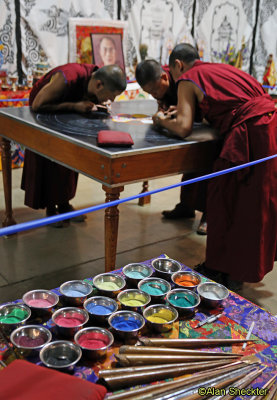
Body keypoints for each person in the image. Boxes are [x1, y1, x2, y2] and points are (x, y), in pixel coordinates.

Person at [153, 43, 277, 290]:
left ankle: (227, 271)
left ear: (178, 65)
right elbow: (232, 102)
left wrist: (160, 121)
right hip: (270, 126)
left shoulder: (187, 79)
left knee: (227, 200)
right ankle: (238, 268)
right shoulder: (222, 68)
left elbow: (183, 128)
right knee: (259, 202)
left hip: (249, 135)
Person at [21, 63, 127, 227]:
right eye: (109, 96)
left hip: (64, 116)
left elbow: (84, 96)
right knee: (49, 161)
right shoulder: (68, 76)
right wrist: (74, 106)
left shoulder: (92, 76)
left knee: (68, 161)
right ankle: (51, 210)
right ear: (99, 84)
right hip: (43, 114)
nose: (110, 100)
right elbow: (37, 105)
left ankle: (64, 206)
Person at [135, 58, 208, 235]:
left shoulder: (182, 79)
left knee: (207, 167)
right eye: (149, 92)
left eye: (155, 90)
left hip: (205, 127)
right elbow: (167, 105)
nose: (154, 95)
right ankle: (186, 206)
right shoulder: (161, 87)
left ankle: (208, 216)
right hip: (184, 127)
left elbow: (202, 107)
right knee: (189, 168)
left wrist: (178, 114)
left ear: (164, 77)